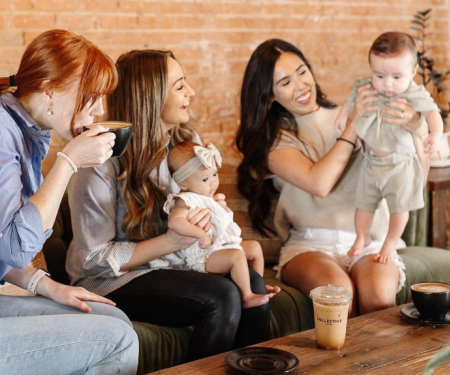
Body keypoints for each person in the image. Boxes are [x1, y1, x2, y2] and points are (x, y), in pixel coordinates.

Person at [66, 49, 271, 362]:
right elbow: (92, 260)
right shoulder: (99, 161)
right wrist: (171, 240)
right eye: (179, 86)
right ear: (150, 97)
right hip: (112, 280)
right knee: (222, 296)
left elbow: (192, 213)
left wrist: (208, 207)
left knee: (253, 285)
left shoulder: (185, 145)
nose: (191, 91)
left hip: (175, 262)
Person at [236, 38, 430, 316]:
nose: (301, 86)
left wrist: (416, 127)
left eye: (302, 72)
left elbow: (411, 180)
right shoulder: (275, 141)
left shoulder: (349, 113)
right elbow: (319, 184)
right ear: (269, 96)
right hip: (311, 245)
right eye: (285, 82)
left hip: (369, 242)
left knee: (378, 298)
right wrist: (353, 127)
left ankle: (377, 362)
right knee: (339, 296)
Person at [0, 29, 138, 375]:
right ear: (49, 92)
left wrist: (49, 287)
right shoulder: (2, 131)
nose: (101, 110)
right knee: (117, 340)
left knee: (113, 317)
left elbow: (2, 244)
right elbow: (16, 246)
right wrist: (69, 162)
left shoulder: (31, 130)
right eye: (91, 97)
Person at [333, 32, 443, 263]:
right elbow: (351, 99)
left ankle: (390, 243)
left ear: (413, 72)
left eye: (396, 76)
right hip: (371, 161)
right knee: (363, 205)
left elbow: (433, 113)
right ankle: (361, 237)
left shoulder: (413, 93)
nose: (387, 83)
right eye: (379, 75)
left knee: (399, 208)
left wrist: (435, 134)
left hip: (400, 163)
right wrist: (343, 116)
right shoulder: (368, 86)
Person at [160, 140, 278, 308]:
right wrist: (200, 234)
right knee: (237, 257)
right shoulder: (185, 199)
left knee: (255, 248)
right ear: (183, 184)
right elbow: (174, 222)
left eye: (215, 174)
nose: (213, 182)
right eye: (205, 178)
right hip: (205, 256)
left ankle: (256, 285)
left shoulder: (207, 198)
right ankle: (246, 296)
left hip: (221, 248)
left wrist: (218, 209)